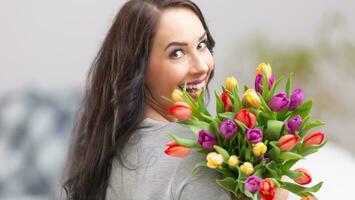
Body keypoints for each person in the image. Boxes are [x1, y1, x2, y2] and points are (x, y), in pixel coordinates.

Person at [62, 0, 288, 199]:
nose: (201, 66)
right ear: (138, 68)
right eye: (177, 53)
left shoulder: (107, 140)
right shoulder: (197, 154)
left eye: (202, 45)